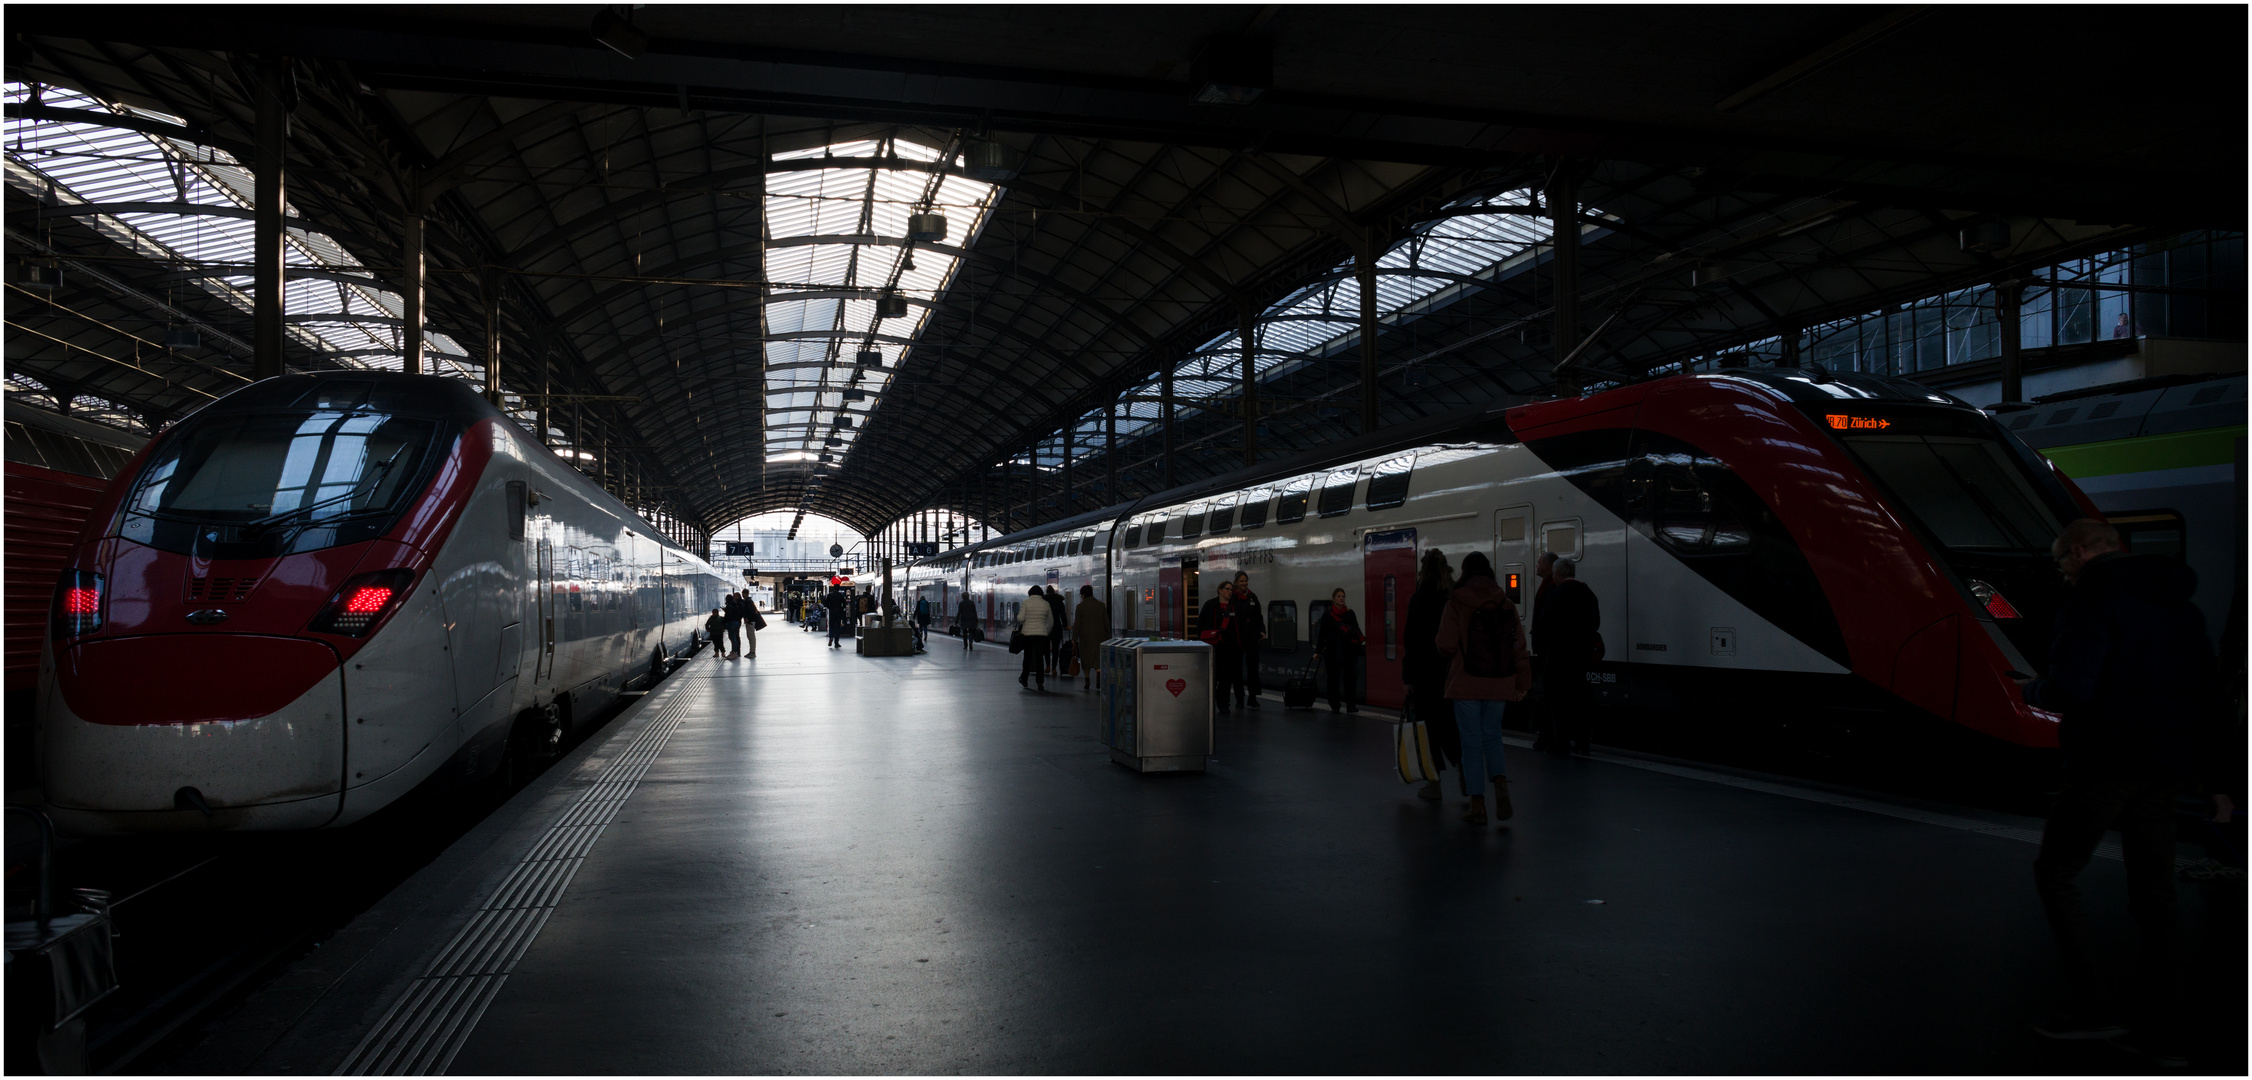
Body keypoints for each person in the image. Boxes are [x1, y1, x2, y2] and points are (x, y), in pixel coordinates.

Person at [2019, 518, 2228, 1058]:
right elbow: (2208, 697)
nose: (2063, 572)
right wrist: (2217, 781)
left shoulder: (2092, 602)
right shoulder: (2182, 607)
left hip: (2105, 763)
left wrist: (2032, 689)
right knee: (2155, 894)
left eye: (2063, 560)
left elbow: (2072, 689)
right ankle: (2167, 1028)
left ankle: (2095, 1010)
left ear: (2084, 552)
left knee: (2057, 873)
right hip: (2166, 767)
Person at [1434, 551, 1533, 825]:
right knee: (1492, 737)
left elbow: (1445, 644)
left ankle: (1478, 805)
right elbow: (1519, 648)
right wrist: (1523, 683)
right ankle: (1500, 783)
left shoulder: (1456, 601)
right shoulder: (1506, 602)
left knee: (1471, 742)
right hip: (1499, 682)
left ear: (1465, 572)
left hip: (1466, 683)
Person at [1401, 548, 1461, 802]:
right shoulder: (1453, 597)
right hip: (1453, 673)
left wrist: (1408, 678)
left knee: (1428, 730)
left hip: (1425, 675)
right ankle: (1466, 774)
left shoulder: (1419, 598)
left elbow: (1411, 640)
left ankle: (1434, 783)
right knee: (1452, 726)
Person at [1535, 556, 1601, 755]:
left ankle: (1561, 744)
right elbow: (1596, 623)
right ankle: (1583, 744)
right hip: (1581, 656)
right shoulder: (1588, 593)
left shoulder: (1555, 594)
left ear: (1558, 574)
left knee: (1558, 702)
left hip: (1558, 657)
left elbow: (1544, 625)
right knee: (1580, 701)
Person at [1527, 551, 1560, 752]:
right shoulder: (1549, 586)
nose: (1536, 565)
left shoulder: (1549, 588)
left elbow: (1545, 620)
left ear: (1548, 566)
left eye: (1539, 562)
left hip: (1548, 652)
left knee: (1550, 695)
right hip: (1547, 651)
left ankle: (1548, 736)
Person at [1314, 587, 1365, 713]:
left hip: (1348, 651)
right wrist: (1318, 651)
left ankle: (1351, 705)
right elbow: (1322, 634)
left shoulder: (1350, 614)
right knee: (1333, 679)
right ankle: (1335, 704)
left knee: (1350, 679)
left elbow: (1356, 630)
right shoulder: (1327, 615)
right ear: (1333, 599)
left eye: (1343, 596)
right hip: (1332, 652)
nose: (1341, 598)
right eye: (1338, 596)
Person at [1198, 580, 1246, 712]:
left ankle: (1224, 705)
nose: (1230, 592)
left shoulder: (1235, 607)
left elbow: (1242, 626)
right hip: (1213, 648)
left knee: (1226, 678)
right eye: (1227, 589)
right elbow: (1200, 624)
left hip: (1231, 649)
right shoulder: (1210, 605)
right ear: (1220, 590)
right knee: (1213, 677)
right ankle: (1210, 703)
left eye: (1231, 590)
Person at [1233, 571, 1267, 708]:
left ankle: (1252, 697)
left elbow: (1259, 616)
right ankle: (1239, 698)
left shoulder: (1252, 597)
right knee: (1237, 669)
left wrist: (1262, 630)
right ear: (1236, 582)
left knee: (1253, 667)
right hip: (1237, 637)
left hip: (1252, 637)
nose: (1244, 583)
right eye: (1241, 581)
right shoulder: (1233, 598)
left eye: (1245, 580)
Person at [1016, 585, 1052, 691]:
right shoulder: (1046, 604)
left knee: (1027, 657)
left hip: (1028, 635)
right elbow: (1051, 622)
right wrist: (1046, 632)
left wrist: (1022, 619)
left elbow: (1021, 618)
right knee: (1039, 658)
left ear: (1030, 593)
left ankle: (1024, 679)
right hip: (1041, 635)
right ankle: (1040, 682)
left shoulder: (1026, 603)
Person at [1073, 584, 1109, 691]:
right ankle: (1098, 675)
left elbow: (1077, 624)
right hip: (1100, 636)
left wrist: (1074, 639)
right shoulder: (1101, 605)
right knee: (1098, 658)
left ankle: (1087, 680)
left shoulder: (1080, 607)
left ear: (1083, 595)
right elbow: (1106, 622)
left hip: (1085, 637)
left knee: (1086, 659)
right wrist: (1108, 635)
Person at [1044, 586, 1069, 675]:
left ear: (1046, 592)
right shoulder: (1059, 601)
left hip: (1046, 626)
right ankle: (1054, 668)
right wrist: (1065, 624)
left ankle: (1047, 666)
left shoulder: (1044, 601)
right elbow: (1062, 614)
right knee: (1055, 649)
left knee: (1046, 648)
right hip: (1056, 626)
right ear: (1054, 592)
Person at [720, 591, 745, 659]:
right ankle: (735, 652)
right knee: (735, 637)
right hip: (736, 622)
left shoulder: (730, 606)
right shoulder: (735, 604)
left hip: (731, 623)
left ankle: (734, 652)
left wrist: (723, 623)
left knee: (732, 638)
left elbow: (728, 615)